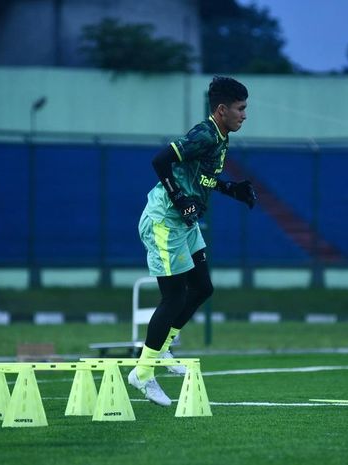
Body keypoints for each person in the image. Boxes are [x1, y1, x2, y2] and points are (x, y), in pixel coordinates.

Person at [128, 76, 257, 406]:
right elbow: (160, 160)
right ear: (221, 109)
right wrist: (178, 197)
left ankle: (165, 348)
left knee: (202, 288)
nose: (245, 115)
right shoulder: (203, 133)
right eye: (241, 109)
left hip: (185, 222)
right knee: (172, 298)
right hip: (164, 221)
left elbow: (201, 177)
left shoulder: (221, 136)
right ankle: (142, 374)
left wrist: (231, 189)